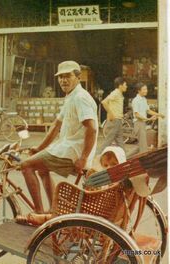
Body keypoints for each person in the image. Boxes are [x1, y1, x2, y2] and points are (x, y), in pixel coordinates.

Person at [20, 61, 98, 213]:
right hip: (68, 147)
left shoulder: (80, 98)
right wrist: (39, 148)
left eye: (67, 76)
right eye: (60, 77)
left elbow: (93, 129)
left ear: (77, 77)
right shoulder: (71, 96)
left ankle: (38, 213)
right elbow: (56, 126)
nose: (63, 80)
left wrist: (83, 158)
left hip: (73, 152)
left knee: (26, 166)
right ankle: (54, 210)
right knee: (42, 169)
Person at [131, 82, 165, 154]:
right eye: (144, 89)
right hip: (138, 123)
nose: (146, 91)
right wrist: (149, 119)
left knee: (142, 145)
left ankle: (125, 158)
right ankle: (126, 159)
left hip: (142, 123)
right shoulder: (136, 100)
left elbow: (148, 111)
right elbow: (137, 115)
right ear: (139, 90)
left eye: (146, 89)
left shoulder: (143, 99)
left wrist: (159, 114)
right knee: (143, 146)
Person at [99, 77, 128, 152]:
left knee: (120, 141)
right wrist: (110, 113)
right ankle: (97, 156)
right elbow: (104, 102)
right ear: (120, 85)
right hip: (115, 120)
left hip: (118, 120)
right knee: (108, 141)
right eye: (125, 85)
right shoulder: (115, 93)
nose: (126, 86)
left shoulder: (119, 93)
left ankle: (124, 158)